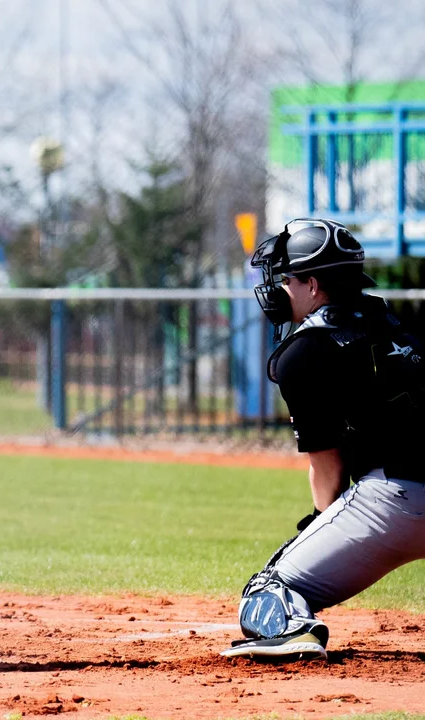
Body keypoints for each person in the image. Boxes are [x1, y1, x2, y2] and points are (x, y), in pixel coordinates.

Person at [222, 218, 425, 660]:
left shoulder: (303, 351)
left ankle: (293, 632)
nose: (280, 289)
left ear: (313, 285)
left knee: (269, 591)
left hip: (396, 498)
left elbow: (328, 469)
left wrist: (319, 524)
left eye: (288, 279)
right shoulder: (395, 323)